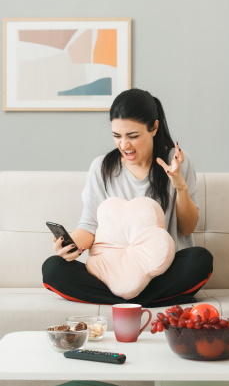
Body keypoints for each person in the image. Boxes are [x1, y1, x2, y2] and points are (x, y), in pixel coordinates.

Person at [42, 88, 213, 307]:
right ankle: (149, 299)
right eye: (117, 136)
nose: (124, 145)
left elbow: (187, 228)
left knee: (200, 260)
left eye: (133, 136)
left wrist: (179, 185)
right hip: (112, 273)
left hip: (161, 270)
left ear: (154, 128)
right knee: (53, 269)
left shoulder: (177, 161)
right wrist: (72, 245)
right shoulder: (102, 167)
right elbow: (89, 225)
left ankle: (122, 300)